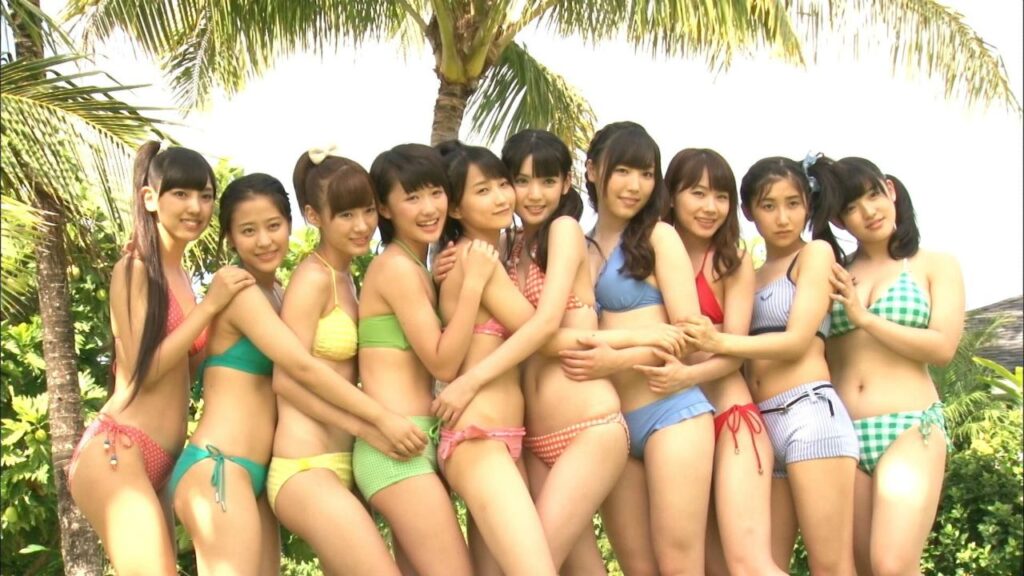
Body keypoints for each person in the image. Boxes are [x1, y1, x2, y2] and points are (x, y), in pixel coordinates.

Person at [432, 133, 678, 574]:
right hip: (530, 438)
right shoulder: (506, 247)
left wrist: (633, 341)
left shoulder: (563, 231)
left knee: (531, 566)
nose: (533, 194)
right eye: (521, 181)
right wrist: (442, 263)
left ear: (567, 183)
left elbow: (544, 329)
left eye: (547, 181)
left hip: (588, 426)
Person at [171, 173, 425, 575]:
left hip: (256, 471)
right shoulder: (239, 291)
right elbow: (300, 368)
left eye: (273, 226)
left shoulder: (278, 292)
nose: (264, 240)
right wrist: (378, 422)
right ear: (230, 238)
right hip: (219, 464)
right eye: (248, 231)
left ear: (291, 224)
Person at [68, 142, 253, 576]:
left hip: (163, 464)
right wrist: (211, 307)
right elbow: (146, 371)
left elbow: (188, 372)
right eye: (181, 194)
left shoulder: (185, 278)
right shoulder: (134, 269)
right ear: (150, 199)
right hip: (118, 450)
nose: (196, 207)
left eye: (205, 196)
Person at [680, 156, 859, 574]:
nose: (782, 218)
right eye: (768, 205)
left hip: (809, 413)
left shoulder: (814, 255)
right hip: (762, 421)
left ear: (808, 206)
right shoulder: (750, 272)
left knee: (831, 565)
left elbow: (797, 342)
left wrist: (716, 340)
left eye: (793, 204)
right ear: (748, 212)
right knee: (764, 564)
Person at [811, 155, 962, 575]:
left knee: (891, 564)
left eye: (873, 195)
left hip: (910, 425)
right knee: (859, 567)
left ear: (890, 190)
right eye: (851, 207)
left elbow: (942, 347)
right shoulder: (834, 273)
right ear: (838, 220)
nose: (869, 212)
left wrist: (864, 318)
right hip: (843, 433)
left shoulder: (934, 264)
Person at [357, 143, 498, 576]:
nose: (429, 207)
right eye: (412, 197)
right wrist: (474, 283)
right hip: (396, 449)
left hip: (414, 442)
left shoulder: (417, 267)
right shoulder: (396, 268)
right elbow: (442, 363)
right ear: (384, 207)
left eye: (436, 192)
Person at [581, 121, 714, 575]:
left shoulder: (658, 236)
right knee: (637, 567)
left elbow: (689, 334)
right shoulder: (575, 246)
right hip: (611, 426)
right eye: (622, 171)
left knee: (680, 565)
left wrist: (617, 358)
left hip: (671, 413)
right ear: (592, 170)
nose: (635, 185)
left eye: (646, 174)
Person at [267, 149, 406, 575]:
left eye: (368, 210)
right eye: (346, 214)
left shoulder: (348, 279)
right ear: (314, 216)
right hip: (305, 467)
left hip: (343, 467)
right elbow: (286, 381)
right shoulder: (312, 278)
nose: (362, 225)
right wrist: (372, 424)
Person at [662, 148, 783, 576]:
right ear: (672, 195)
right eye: (698, 193)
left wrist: (686, 375)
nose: (711, 207)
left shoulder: (732, 260)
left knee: (748, 563)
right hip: (670, 427)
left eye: (721, 196)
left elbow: (733, 352)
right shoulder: (648, 254)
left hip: (730, 419)